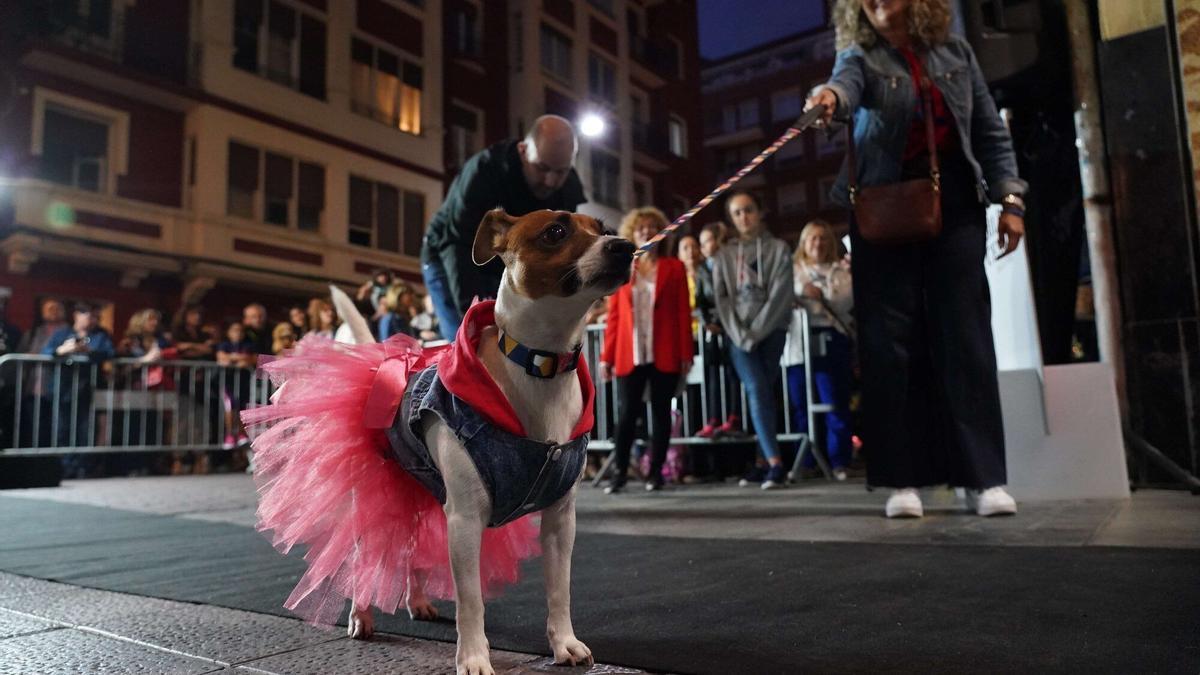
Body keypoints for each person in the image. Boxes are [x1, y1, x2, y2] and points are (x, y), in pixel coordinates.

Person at [806, 0, 1026, 517]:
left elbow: (991, 134)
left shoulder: (956, 52)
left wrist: (1011, 201)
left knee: (966, 338)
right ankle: (902, 481)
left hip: (957, 204)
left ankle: (984, 480)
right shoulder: (858, 56)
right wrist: (828, 100)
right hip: (883, 205)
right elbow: (843, 86)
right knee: (889, 344)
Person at [421, 115, 587, 338]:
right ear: (522, 150)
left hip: (505, 265)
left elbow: (565, 253)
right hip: (448, 253)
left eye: (560, 172)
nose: (550, 181)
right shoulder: (483, 173)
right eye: (541, 168)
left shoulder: (569, 187)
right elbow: (458, 245)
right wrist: (472, 317)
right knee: (469, 340)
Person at [600, 207, 693, 493]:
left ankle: (656, 473)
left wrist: (686, 354)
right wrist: (606, 357)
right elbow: (614, 317)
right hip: (631, 353)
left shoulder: (674, 268)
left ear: (661, 233)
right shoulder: (624, 268)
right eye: (640, 228)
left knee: (661, 413)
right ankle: (619, 473)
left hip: (663, 351)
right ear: (631, 233)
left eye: (651, 227)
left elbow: (682, 314)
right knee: (627, 414)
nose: (645, 231)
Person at [711, 191, 794, 489]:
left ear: (759, 212)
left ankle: (760, 462)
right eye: (737, 212)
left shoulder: (779, 249)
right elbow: (721, 299)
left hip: (771, 332)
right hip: (738, 336)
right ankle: (776, 463)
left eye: (748, 210)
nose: (743, 217)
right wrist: (741, 335)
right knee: (757, 388)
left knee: (764, 395)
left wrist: (757, 332)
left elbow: (782, 294)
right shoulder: (723, 255)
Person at [784, 220, 854, 482]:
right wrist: (802, 291)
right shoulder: (792, 270)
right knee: (800, 403)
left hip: (830, 336)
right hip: (798, 342)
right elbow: (786, 294)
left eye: (823, 238)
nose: (818, 243)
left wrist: (819, 293)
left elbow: (846, 300)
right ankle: (808, 461)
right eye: (813, 238)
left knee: (833, 401)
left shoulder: (840, 270)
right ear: (803, 242)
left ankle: (839, 460)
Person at [42, 303, 115, 476]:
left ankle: (83, 467)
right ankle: (64, 467)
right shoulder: (62, 333)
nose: (92, 320)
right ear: (77, 315)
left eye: (95, 317)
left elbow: (109, 353)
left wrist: (88, 351)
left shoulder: (100, 334)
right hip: (62, 389)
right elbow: (46, 351)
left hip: (87, 389)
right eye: (89, 315)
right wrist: (62, 350)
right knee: (62, 429)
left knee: (86, 430)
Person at [694, 222, 744, 441]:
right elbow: (700, 299)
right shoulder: (703, 269)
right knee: (713, 375)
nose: (703, 247)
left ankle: (734, 416)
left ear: (719, 239)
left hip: (733, 325)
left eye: (707, 241)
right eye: (701, 243)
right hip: (712, 328)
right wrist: (706, 321)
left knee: (734, 373)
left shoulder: (733, 262)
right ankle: (714, 417)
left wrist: (729, 321)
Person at [18, 297, 68, 447]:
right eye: (48, 308)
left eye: (56, 308)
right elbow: (21, 352)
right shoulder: (34, 332)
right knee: (32, 425)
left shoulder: (68, 332)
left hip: (57, 386)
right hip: (33, 386)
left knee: (56, 426)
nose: (52, 312)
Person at [215, 322, 256, 452]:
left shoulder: (248, 345)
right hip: (227, 382)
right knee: (230, 406)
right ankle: (229, 434)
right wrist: (239, 359)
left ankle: (239, 433)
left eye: (240, 331)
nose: (237, 333)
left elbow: (252, 358)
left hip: (243, 382)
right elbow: (221, 357)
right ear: (228, 333)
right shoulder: (224, 345)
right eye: (234, 330)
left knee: (241, 407)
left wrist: (235, 359)